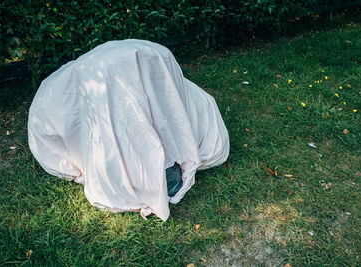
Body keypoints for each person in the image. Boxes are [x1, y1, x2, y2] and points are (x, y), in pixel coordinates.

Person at [28, 39, 229, 220]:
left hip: (131, 64)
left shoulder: (162, 77)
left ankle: (159, 165)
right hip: (107, 73)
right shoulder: (62, 99)